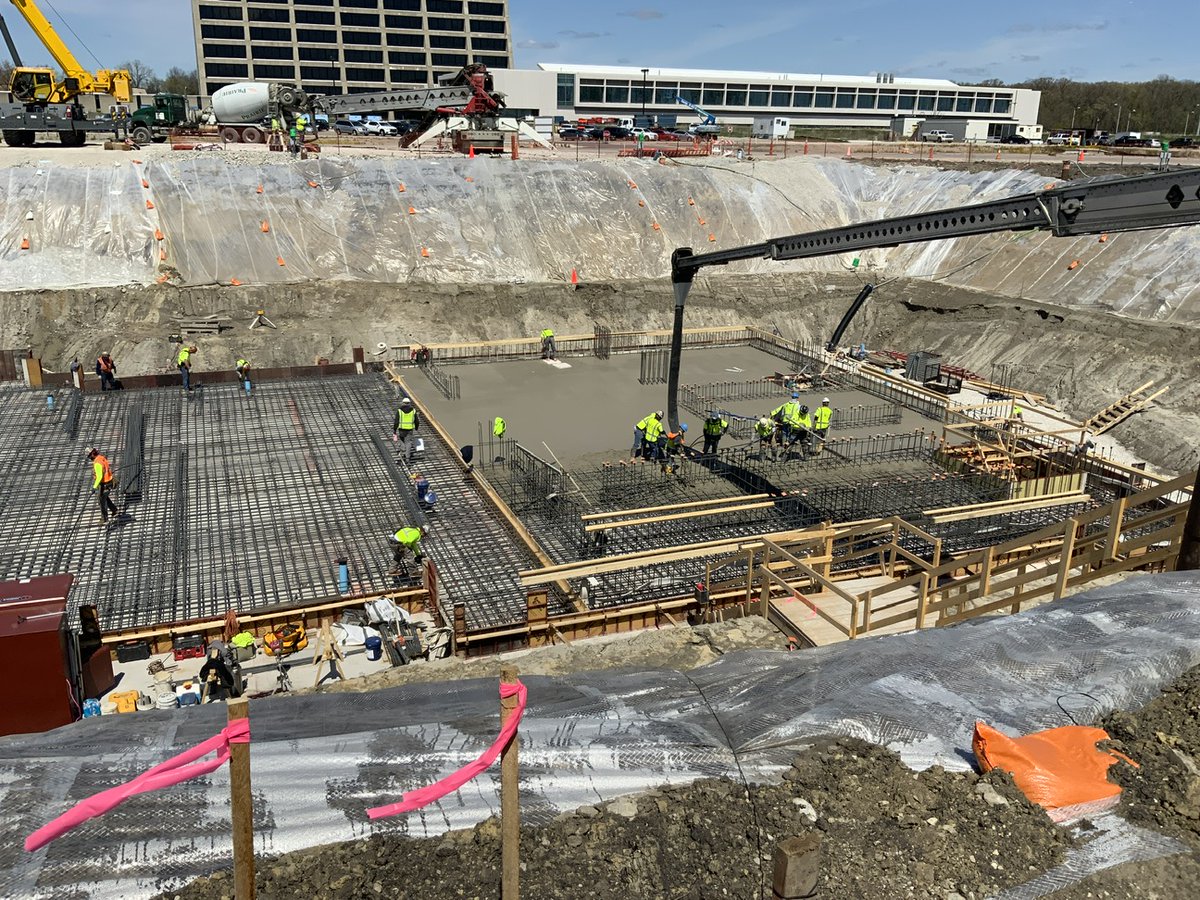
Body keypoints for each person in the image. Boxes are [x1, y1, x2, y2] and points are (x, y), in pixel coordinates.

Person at [87, 447, 119, 526]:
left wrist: (94, 487)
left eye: (89, 456)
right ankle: (114, 510)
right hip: (110, 482)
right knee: (105, 497)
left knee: (101, 501)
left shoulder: (97, 463)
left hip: (104, 485)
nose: (90, 458)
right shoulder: (101, 457)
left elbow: (99, 476)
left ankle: (104, 519)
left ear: (92, 455)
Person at [393, 396, 420, 464]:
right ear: (409, 403)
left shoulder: (399, 411)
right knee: (408, 443)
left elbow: (396, 421)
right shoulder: (413, 411)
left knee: (402, 440)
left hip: (401, 429)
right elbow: (416, 421)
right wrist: (416, 427)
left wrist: (394, 430)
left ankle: (403, 450)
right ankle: (407, 458)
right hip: (409, 430)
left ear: (403, 403)